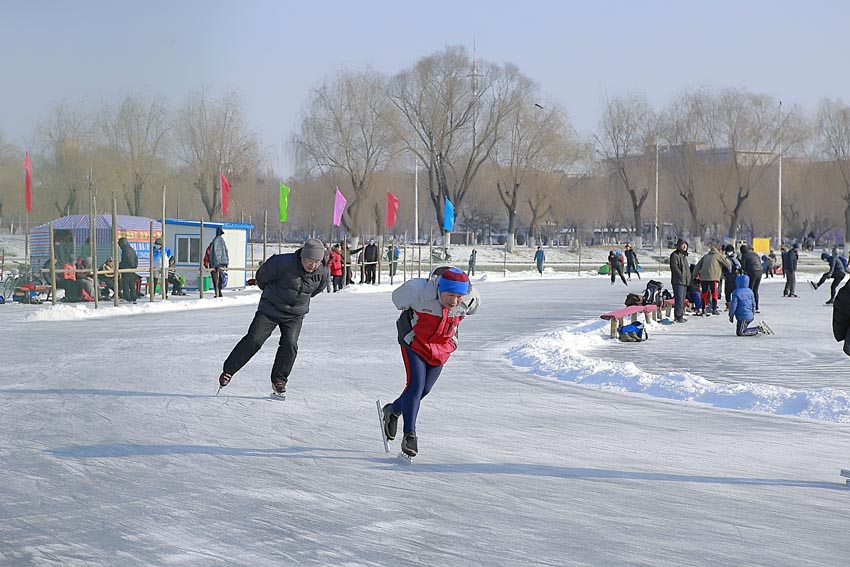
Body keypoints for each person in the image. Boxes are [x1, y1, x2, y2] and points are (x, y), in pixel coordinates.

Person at [380, 267, 480, 459]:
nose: (454, 301)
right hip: (414, 343)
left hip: (440, 348)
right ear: (439, 289)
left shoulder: (470, 299)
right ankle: (409, 436)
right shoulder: (419, 292)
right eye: (450, 295)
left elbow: (473, 308)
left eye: (459, 296)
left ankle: (393, 410)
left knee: (424, 390)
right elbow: (397, 299)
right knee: (415, 386)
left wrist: (452, 342)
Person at [218, 238, 329, 396]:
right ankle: (229, 370)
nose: (313, 265)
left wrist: (299, 302)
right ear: (302, 256)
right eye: (310, 260)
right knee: (254, 339)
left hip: (295, 315)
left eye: (317, 262)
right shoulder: (282, 263)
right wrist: (271, 295)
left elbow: (317, 289)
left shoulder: (322, 272)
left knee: (290, 344)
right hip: (270, 309)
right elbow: (262, 278)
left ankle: (279, 380)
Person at [694, 243, 731, 316]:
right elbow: (728, 264)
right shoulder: (719, 256)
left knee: (704, 293)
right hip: (713, 277)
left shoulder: (705, 256)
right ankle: (714, 309)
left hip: (703, 277)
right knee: (714, 292)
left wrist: (694, 275)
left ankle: (703, 308)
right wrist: (723, 256)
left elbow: (698, 266)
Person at [669, 238, 690, 323]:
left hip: (684, 281)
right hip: (678, 281)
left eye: (686, 245)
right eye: (683, 245)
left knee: (682, 299)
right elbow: (674, 267)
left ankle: (680, 315)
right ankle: (677, 316)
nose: (684, 246)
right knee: (679, 299)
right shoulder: (675, 255)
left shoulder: (684, 256)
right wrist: (681, 275)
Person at [739, 244, 763, 313]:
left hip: (752, 271)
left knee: (750, 289)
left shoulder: (745, 255)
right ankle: (756, 307)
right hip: (760, 271)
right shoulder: (755, 254)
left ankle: (750, 306)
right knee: (755, 289)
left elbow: (743, 266)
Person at [209, 227, 229, 298]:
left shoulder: (214, 242)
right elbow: (226, 251)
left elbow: (211, 255)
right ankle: (219, 293)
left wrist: (211, 264)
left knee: (217, 280)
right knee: (219, 280)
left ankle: (218, 293)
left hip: (215, 265)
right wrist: (226, 262)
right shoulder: (221, 241)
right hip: (221, 264)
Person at [118, 237, 138, 303]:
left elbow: (126, 259)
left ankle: (127, 298)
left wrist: (120, 266)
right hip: (132, 269)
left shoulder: (125, 250)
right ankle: (134, 297)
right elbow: (136, 258)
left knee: (125, 284)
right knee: (132, 285)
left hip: (126, 268)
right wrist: (134, 266)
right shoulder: (131, 249)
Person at [722, 244, 741, 310]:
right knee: (727, 292)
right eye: (727, 251)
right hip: (727, 277)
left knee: (735, 291)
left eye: (730, 251)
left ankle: (735, 304)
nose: (728, 252)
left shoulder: (736, 258)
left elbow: (740, 266)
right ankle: (728, 305)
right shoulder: (725, 259)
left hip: (734, 277)